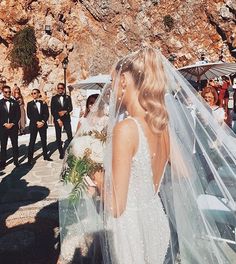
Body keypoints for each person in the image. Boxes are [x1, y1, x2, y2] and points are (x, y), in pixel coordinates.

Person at [60, 48, 236, 264]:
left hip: (131, 230)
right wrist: (144, 184)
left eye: (113, 82)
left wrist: (95, 174)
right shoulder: (160, 126)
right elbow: (185, 171)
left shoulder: (126, 129)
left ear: (124, 81)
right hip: (155, 222)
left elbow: (116, 207)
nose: (111, 90)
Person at [27, 89, 52, 165]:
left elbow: (46, 114)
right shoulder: (29, 104)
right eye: (32, 93)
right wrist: (36, 122)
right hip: (34, 125)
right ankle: (30, 159)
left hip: (43, 125)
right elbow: (29, 115)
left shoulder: (43, 103)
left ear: (38, 94)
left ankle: (46, 156)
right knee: (32, 142)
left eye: (35, 93)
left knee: (44, 141)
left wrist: (43, 122)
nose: (33, 94)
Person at [0, 85, 20, 169]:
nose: (8, 93)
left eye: (9, 92)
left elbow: (18, 115)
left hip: (13, 127)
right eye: (6, 92)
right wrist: (4, 123)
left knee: (15, 145)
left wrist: (12, 123)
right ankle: (3, 162)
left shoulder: (15, 102)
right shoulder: (0, 102)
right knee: (3, 146)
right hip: (3, 127)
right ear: (2, 92)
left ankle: (16, 161)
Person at [51, 83, 73, 159]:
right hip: (57, 119)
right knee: (58, 136)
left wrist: (65, 111)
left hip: (66, 118)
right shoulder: (54, 98)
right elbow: (53, 110)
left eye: (61, 88)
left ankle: (71, 151)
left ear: (64, 89)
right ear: (57, 89)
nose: (60, 89)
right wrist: (58, 119)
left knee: (70, 135)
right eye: (59, 88)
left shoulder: (68, 97)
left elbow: (71, 108)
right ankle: (61, 152)